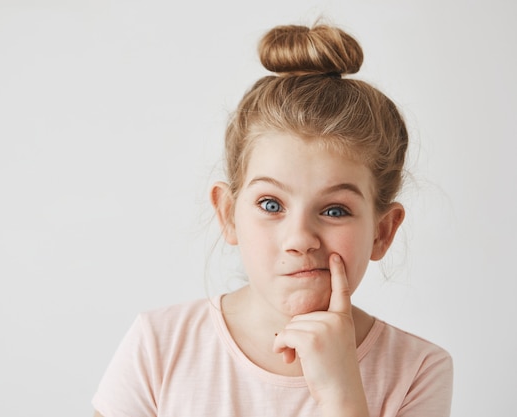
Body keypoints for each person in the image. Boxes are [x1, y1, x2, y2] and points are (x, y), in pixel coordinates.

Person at [91, 21, 453, 417]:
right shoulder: (158, 346)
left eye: (334, 210)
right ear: (228, 214)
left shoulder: (417, 370)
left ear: (382, 232)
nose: (299, 238)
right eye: (270, 204)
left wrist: (342, 396)